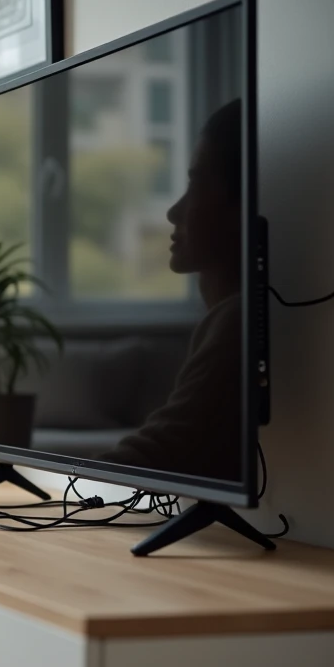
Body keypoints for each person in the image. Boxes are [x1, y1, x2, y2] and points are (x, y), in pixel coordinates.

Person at [98, 99, 243, 482]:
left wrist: (67, 478)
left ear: (243, 203)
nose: (173, 212)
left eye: (196, 183)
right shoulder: (231, 315)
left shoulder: (239, 321)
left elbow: (164, 448)